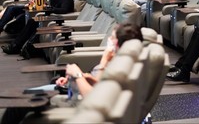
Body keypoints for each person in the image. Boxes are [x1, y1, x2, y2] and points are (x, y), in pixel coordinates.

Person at [1, 23, 143, 124]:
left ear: (117, 44)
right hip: (77, 92)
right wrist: (79, 78)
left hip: (83, 105)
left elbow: (96, 97)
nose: (109, 41)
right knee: (34, 91)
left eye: (112, 38)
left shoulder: (119, 66)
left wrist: (78, 75)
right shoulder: (121, 61)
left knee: (20, 105)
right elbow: (100, 85)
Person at [1, 0, 74, 55]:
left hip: (56, 20)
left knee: (32, 21)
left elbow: (63, 10)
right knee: (19, 13)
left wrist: (49, 8)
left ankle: (15, 47)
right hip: (47, 15)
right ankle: (15, 45)